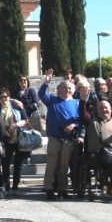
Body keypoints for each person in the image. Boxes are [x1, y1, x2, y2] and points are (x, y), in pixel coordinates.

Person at [38, 69, 80, 200]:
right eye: (64, 88)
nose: (67, 90)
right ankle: (49, 188)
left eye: (69, 88)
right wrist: (46, 82)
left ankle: (62, 188)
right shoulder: (52, 100)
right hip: (54, 137)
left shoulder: (76, 103)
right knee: (51, 164)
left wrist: (73, 125)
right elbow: (40, 94)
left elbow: (79, 120)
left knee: (64, 165)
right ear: (59, 89)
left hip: (68, 139)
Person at [84, 101, 112, 197]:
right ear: (97, 110)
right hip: (95, 153)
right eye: (101, 108)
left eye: (106, 108)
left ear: (111, 110)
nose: (104, 110)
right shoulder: (91, 120)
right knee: (94, 159)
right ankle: (104, 184)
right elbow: (82, 113)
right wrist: (83, 100)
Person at [0, 89, 29, 192]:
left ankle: (15, 187)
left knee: (18, 164)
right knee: (6, 164)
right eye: (2, 97)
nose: (4, 99)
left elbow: (25, 120)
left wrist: (16, 125)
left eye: (6, 96)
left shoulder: (17, 106)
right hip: (6, 140)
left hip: (19, 139)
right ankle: (6, 187)